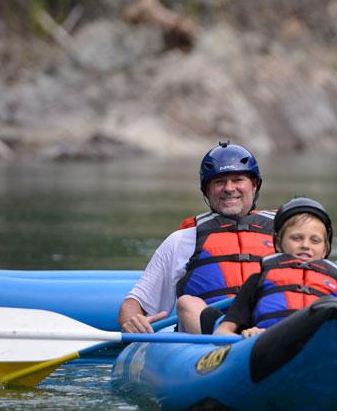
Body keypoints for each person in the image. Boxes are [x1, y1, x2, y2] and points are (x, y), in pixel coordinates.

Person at [118, 142, 276, 334]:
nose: (228, 188)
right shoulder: (182, 241)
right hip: (207, 343)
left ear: (254, 185)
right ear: (206, 191)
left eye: (237, 180)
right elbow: (133, 305)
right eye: (219, 182)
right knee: (187, 303)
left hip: (268, 333)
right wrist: (133, 322)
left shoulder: (284, 234)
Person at [215, 197, 337, 337]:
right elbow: (222, 332)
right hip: (268, 345)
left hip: (322, 347)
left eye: (315, 240)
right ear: (279, 244)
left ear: (325, 249)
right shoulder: (258, 280)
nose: (306, 245)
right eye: (296, 238)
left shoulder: (336, 283)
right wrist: (247, 336)